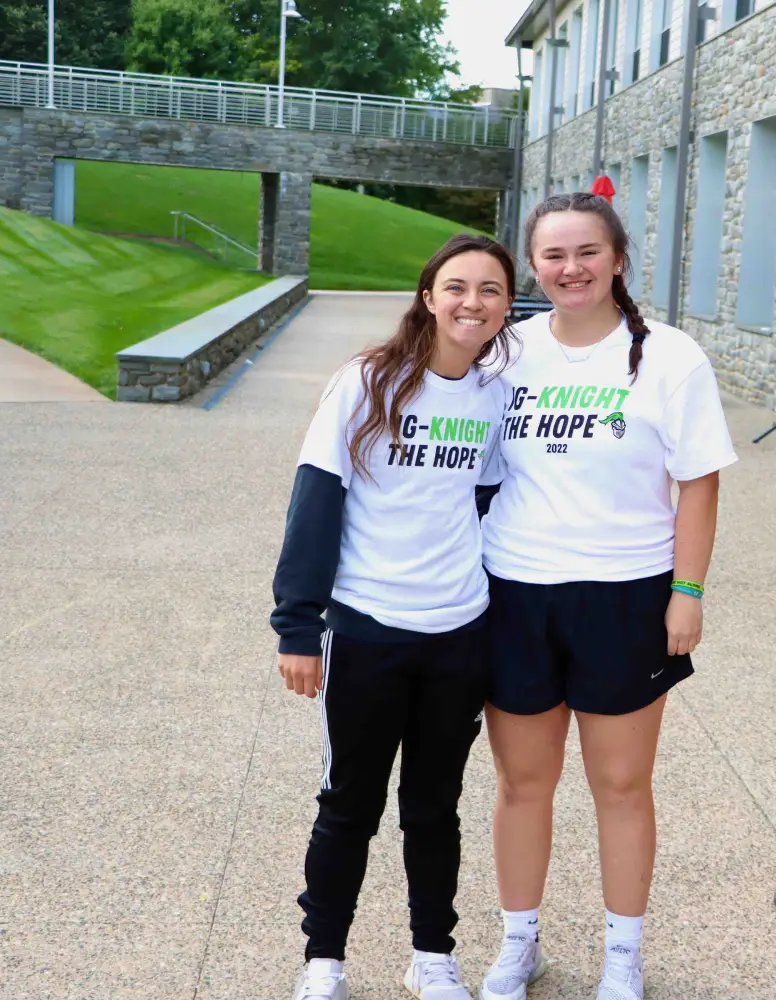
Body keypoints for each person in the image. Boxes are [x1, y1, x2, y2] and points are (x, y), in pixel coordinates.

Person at [477, 193, 737, 1000]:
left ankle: (623, 955)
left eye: (587, 251)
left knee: (620, 786)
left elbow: (698, 484)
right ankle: (522, 943)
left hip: (626, 595)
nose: (570, 268)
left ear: (618, 258)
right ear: (534, 265)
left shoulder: (670, 357)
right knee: (523, 784)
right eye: (553, 255)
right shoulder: (505, 350)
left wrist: (686, 591)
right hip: (515, 593)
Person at [270, 234, 515, 1000]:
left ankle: (432, 955)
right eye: (457, 286)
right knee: (350, 804)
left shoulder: (494, 394)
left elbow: (481, 500)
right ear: (428, 294)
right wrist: (299, 626)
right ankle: (324, 961)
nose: (471, 302)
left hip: (457, 633)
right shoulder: (368, 382)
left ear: (508, 306)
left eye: (491, 290)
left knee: (434, 808)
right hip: (368, 630)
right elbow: (316, 501)